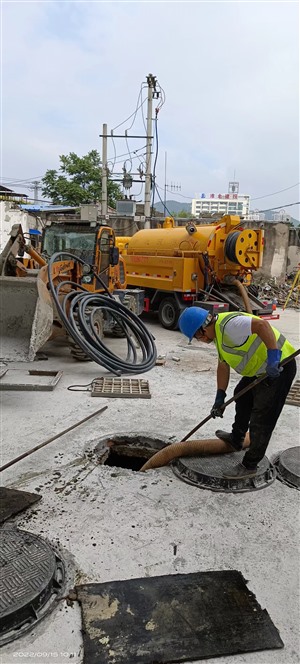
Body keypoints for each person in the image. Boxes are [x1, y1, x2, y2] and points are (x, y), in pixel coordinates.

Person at [178, 307, 297, 479]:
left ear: (202, 329)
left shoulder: (230, 325)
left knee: (262, 418)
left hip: (279, 367)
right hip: (260, 370)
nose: (200, 341)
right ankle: (237, 438)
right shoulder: (218, 335)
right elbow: (223, 365)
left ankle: (250, 465)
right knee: (241, 393)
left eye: (197, 337)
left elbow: (262, 325)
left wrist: (273, 356)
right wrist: (220, 396)